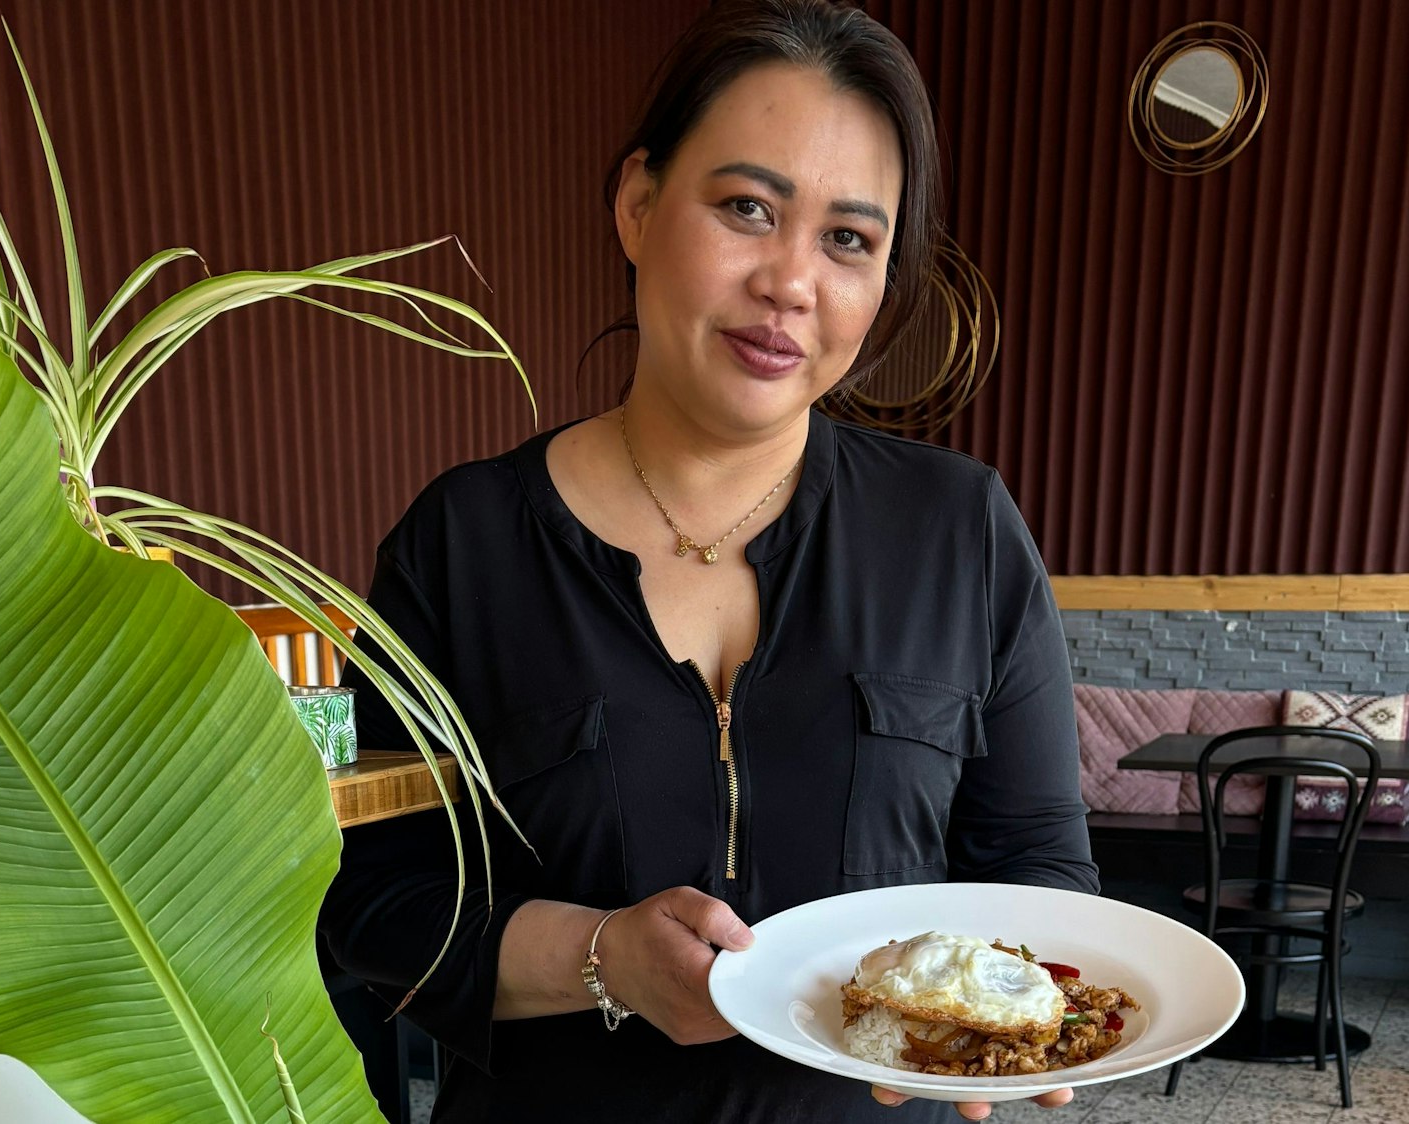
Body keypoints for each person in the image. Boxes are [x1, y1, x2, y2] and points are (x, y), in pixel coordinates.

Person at [318, 2, 1096, 1120]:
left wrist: (1002, 1013)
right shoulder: (464, 543)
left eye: (848, 239)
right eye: (746, 207)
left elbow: (1039, 868)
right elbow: (379, 902)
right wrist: (599, 956)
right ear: (638, 204)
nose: (791, 281)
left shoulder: (957, 530)